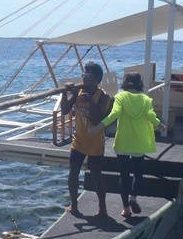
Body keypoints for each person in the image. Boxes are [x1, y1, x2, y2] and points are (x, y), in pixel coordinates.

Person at [89, 72, 166, 218]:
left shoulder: (120, 97)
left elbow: (114, 114)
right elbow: (151, 115)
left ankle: (126, 209)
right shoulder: (146, 99)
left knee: (124, 175)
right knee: (137, 173)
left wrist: (97, 128)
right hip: (139, 142)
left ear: (125, 82)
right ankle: (133, 198)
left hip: (123, 142)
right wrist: (160, 126)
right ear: (140, 83)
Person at [60, 61, 111, 218]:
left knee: (96, 174)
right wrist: (65, 92)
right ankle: (74, 205)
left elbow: (97, 120)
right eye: (83, 75)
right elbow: (64, 110)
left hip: (95, 142)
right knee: (73, 172)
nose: (84, 79)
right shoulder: (78, 93)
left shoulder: (103, 96)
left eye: (88, 76)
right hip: (79, 140)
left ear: (96, 79)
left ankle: (102, 207)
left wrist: (91, 102)